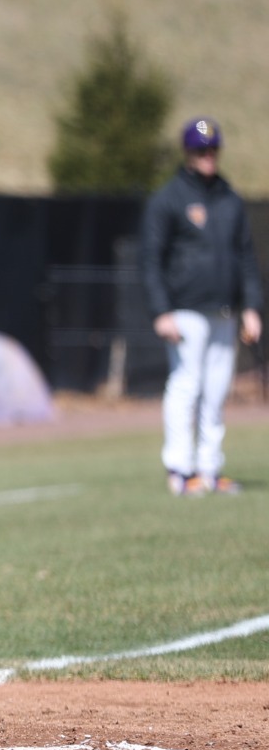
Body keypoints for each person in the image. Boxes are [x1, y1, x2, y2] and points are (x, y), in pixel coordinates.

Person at [141, 118, 262, 496]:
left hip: (224, 311)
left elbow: (246, 257)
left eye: (213, 150)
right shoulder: (169, 199)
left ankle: (209, 469)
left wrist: (251, 307)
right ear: (188, 153)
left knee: (215, 391)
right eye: (200, 150)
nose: (208, 157)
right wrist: (161, 311)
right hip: (186, 311)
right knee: (185, 386)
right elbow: (151, 260)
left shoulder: (229, 198)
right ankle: (180, 468)